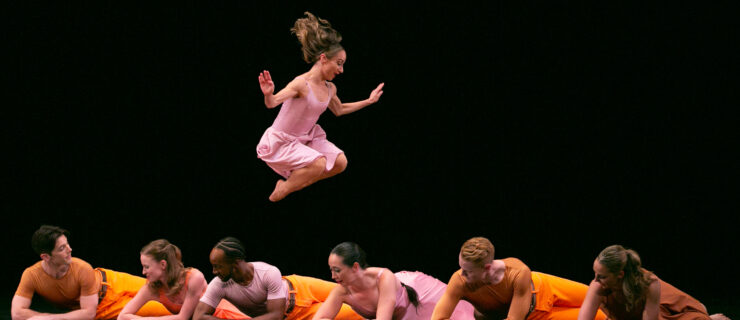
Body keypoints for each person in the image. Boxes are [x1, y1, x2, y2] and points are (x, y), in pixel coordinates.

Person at [256, 11, 384, 202]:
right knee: (319, 163)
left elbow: (340, 110)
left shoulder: (330, 88)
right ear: (323, 58)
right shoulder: (301, 84)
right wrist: (268, 94)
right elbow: (272, 103)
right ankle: (282, 189)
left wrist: (368, 101)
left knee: (340, 163)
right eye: (339, 64)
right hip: (282, 142)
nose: (341, 70)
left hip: (306, 139)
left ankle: (297, 182)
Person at [11, 225, 170, 320]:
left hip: (113, 281)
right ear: (46, 257)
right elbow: (17, 314)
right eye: (62, 248)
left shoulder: (81, 268)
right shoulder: (32, 275)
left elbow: (86, 313)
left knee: (171, 287)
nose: (70, 250)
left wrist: (48, 318)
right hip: (104, 307)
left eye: (67, 245)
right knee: (171, 310)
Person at [431, 237, 606, 320]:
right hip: (534, 316)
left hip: (545, 287)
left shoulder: (516, 271)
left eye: (468, 271)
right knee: (602, 318)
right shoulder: (459, 281)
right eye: (462, 268)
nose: (462, 274)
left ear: (486, 268)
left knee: (603, 297)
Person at [193, 237, 362, 320]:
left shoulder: (267, 272)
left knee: (355, 292)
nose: (214, 271)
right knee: (358, 313)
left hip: (301, 287)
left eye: (218, 266)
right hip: (295, 315)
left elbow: (274, 313)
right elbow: (199, 316)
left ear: (235, 263)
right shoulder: (219, 285)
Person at [313, 242, 475, 320]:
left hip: (421, 296)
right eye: (331, 270)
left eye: (337, 270)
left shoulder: (384, 277)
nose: (333, 276)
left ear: (355, 267)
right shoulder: (341, 291)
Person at [577, 245, 730, 320]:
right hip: (634, 312)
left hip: (650, 306)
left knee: (695, 313)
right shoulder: (597, 286)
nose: (595, 280)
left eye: (602, 276)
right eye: (595, 274)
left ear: (620, 275)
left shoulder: (648, 283)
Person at [117, 239, 210, 320]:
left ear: (163, 265)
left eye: (146, 267)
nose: (143, 272)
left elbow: (182, 318)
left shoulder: (194, 278)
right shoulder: (152, 288)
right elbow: (122, 316)